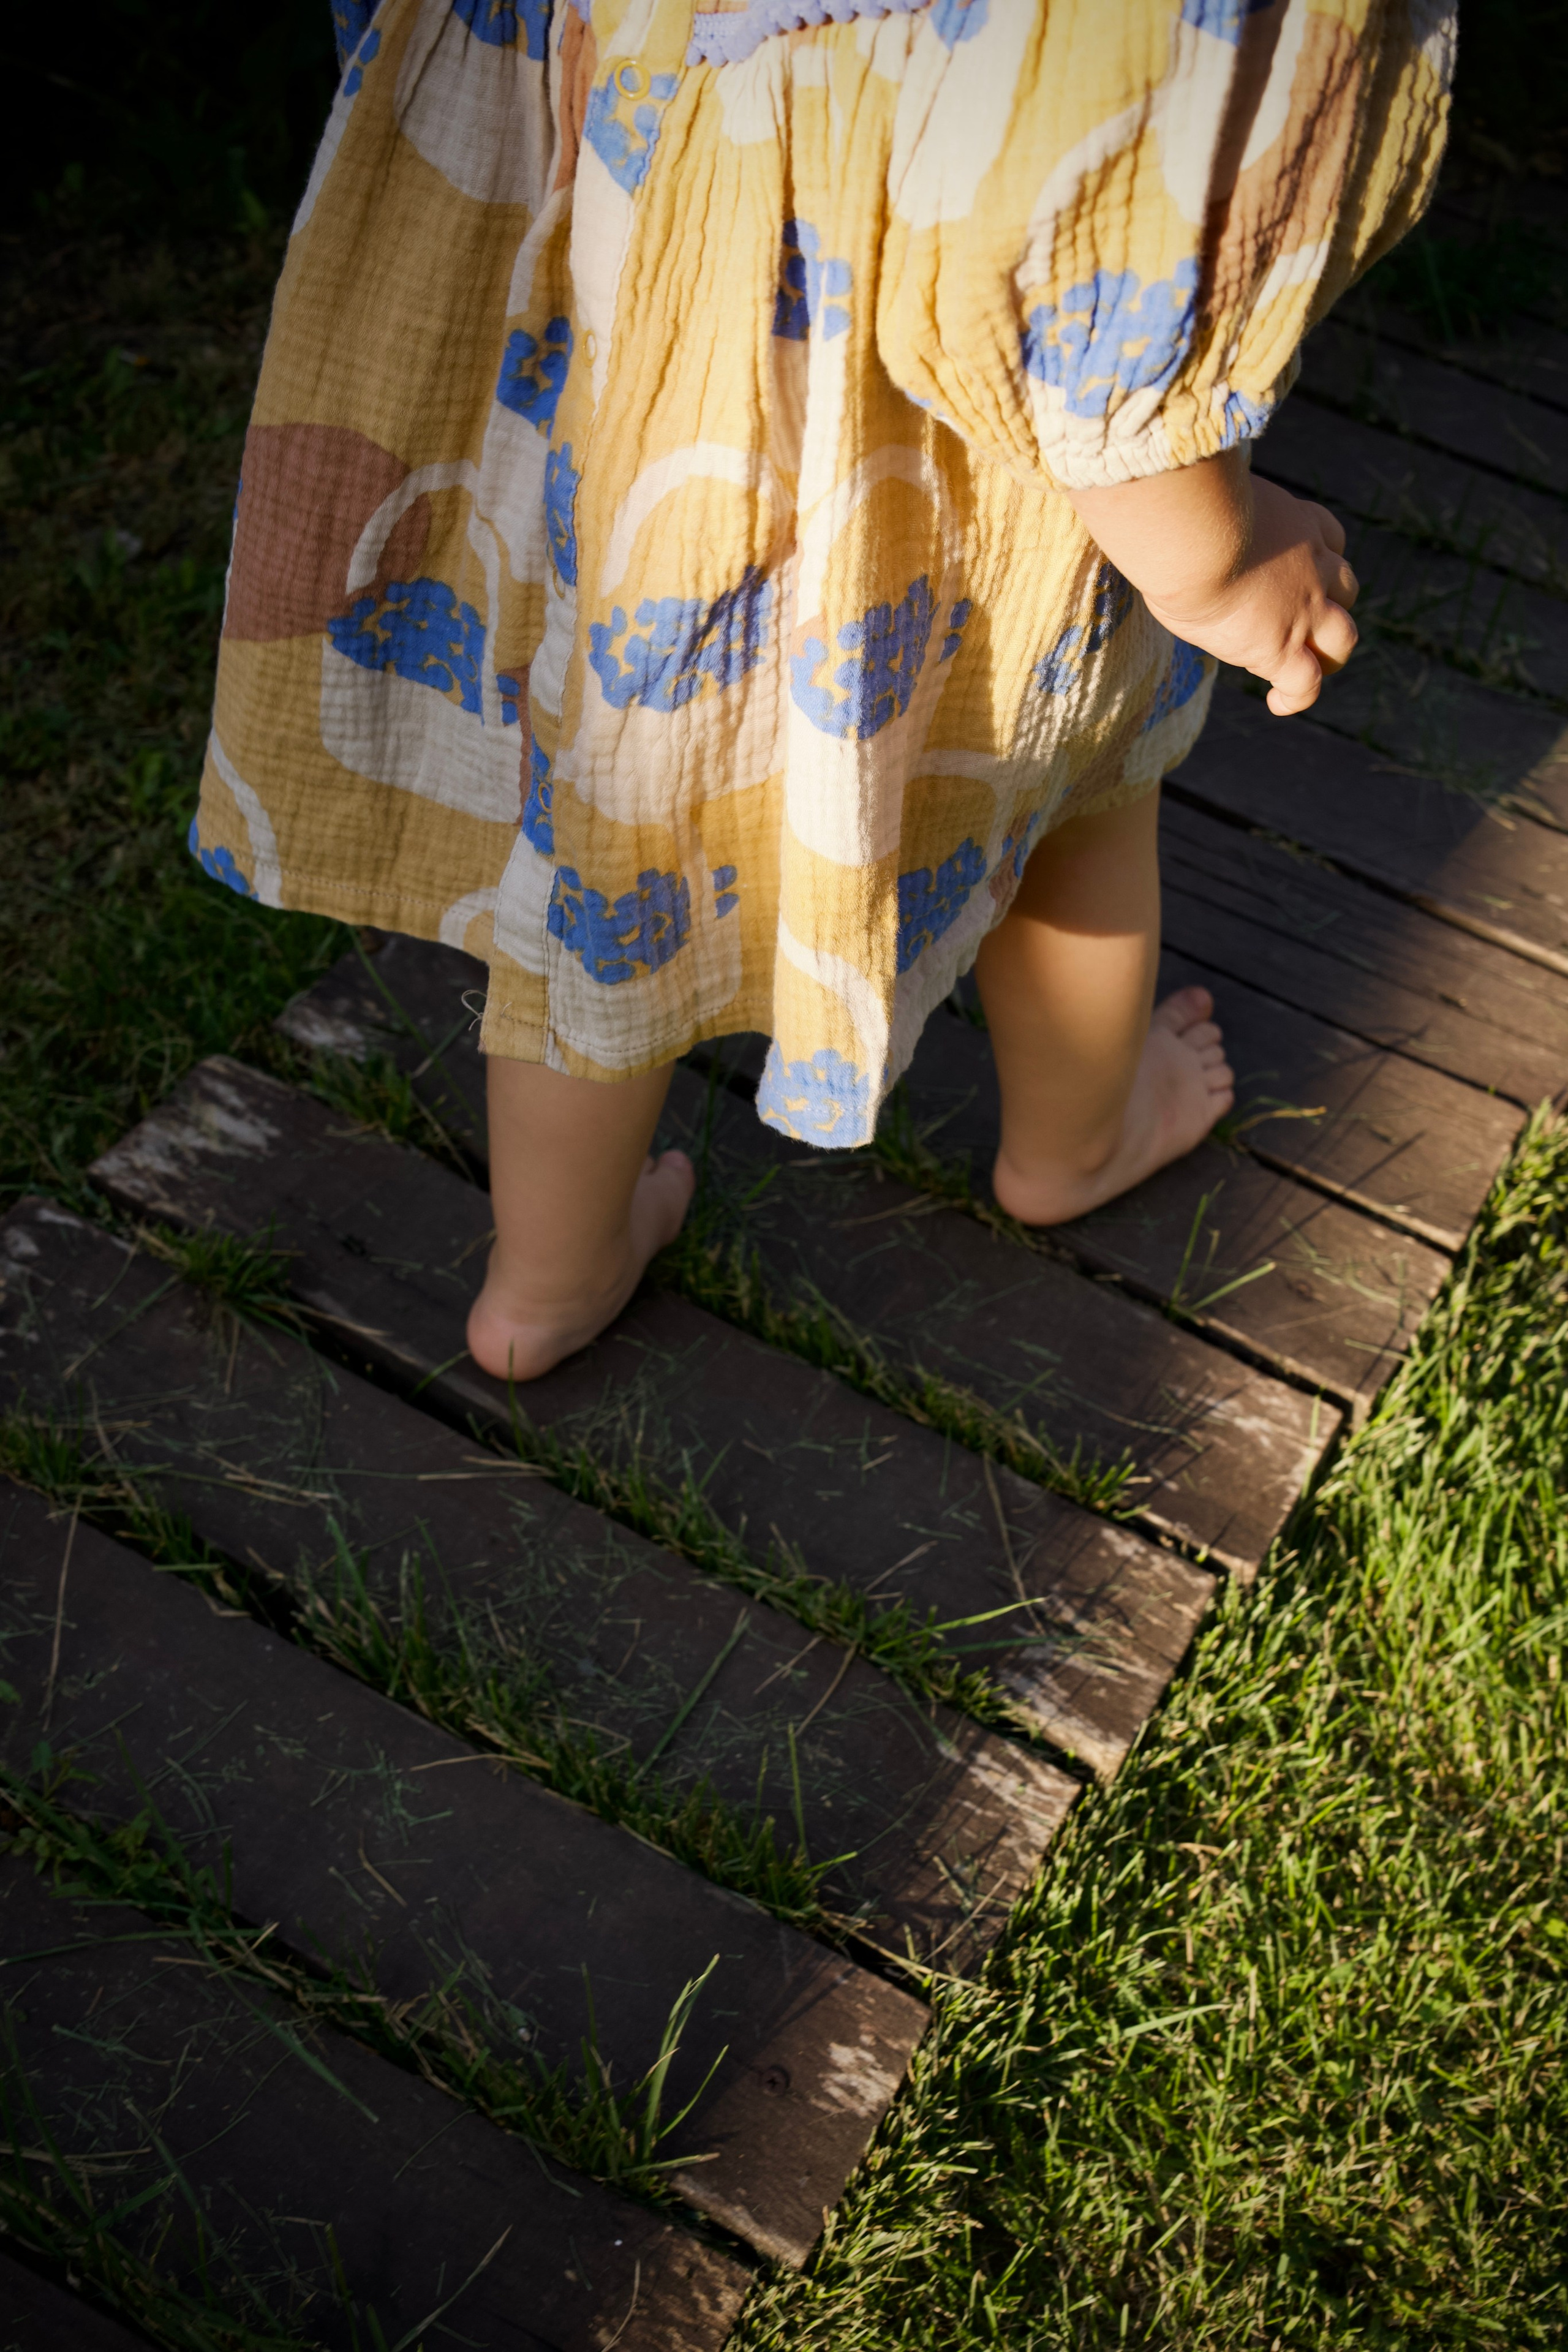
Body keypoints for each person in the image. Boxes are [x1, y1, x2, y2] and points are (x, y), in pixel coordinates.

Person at [191, 0, 1452, 1382]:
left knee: (602, 855)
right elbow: (1094, 255)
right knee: (1070, 790)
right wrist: (1216, 562)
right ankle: (1076, 1137)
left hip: (646, 400)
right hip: (954, 477)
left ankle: (544, 1282)